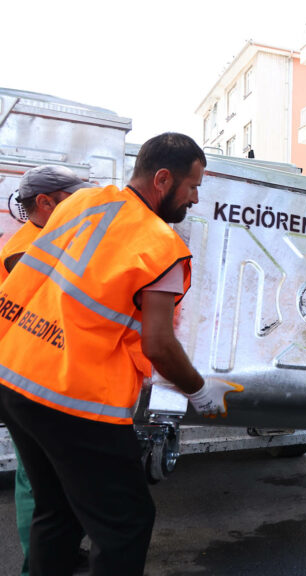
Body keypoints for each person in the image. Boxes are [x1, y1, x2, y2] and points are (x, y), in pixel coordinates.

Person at [0, 133, 237, 576]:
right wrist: (200, 391)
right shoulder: (161, 246)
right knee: (126, 523)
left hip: (15, 379)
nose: (196, 198)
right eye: (192, 186)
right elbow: (159, 344)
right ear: (163, 179)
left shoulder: (80, 204)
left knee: (57, 513)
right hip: (75, 400)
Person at [1, 165, 90, 576]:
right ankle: (34, 564)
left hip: (40, 376)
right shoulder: (27, 251)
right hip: (26, 380)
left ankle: (58, 553)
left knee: (50, 479)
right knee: (36, 482)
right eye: (74, 198)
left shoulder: (43, 239)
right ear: (45, 202)